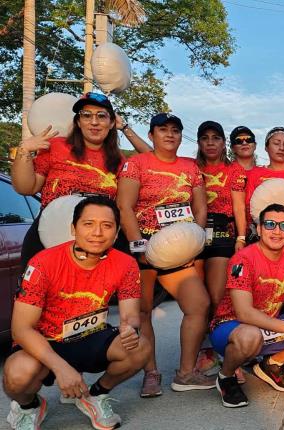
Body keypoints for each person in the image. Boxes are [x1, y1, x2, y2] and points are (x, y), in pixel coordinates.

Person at [3, 196, 150, 430]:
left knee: (140, 346)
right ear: (73, 228)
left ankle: (95, 396)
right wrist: (61, 368)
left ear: (117, 231)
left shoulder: (126, 264)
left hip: (88, 336)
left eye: (107, 225)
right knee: (17, 375)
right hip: (45, 341)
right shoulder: (43, 263)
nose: (98, 233)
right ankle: (28, 407)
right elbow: (21, 330)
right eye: (88, 224)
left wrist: (129, 329)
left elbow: (130, 315)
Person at [117, 113, 214, 398]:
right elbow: (125, 208)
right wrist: (138, 247)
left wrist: (193, 241)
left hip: (178, 249)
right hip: (144, 248)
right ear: (151, 135)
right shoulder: (135, 164)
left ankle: (185, 373)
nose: (170, 135)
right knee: (143, 310)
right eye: (163, 130)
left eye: (175, 130)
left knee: (199, 305)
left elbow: (200, 209)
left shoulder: (190, 167)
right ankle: (151, 373)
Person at [11, 92, 151, 267]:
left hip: (102, 241)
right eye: (86, 115)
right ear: (78, 122)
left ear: (111, 122)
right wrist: (24, 150)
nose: (94, 122)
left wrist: (125, 127)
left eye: (101, 116)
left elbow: (153, 162)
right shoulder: (55, 146)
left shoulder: (119, 160)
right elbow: (26, 188)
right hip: (51, 234)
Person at [209, 204, 284, 405]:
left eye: (283, 226)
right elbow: (244, 313)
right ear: (259, 229)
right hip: (230, 327)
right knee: (250, 335)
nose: (277, 231)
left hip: (268, 325)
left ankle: (273, 363)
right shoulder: (242, 259)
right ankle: (226, 378)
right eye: (270, 224)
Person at [195, 121, 248, 375]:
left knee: (216, 297)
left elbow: (239, 206)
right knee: (197, 299)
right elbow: (150, 153)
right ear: (198, 143)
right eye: (205, 138)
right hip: (192, 234)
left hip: (223, 234)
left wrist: (240, 236)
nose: (210, 143)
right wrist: (124, 128)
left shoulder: (234, 170)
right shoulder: (191, 167)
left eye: (216, 138)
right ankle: (202, 348)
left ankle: (221, 351)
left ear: (224, 143)